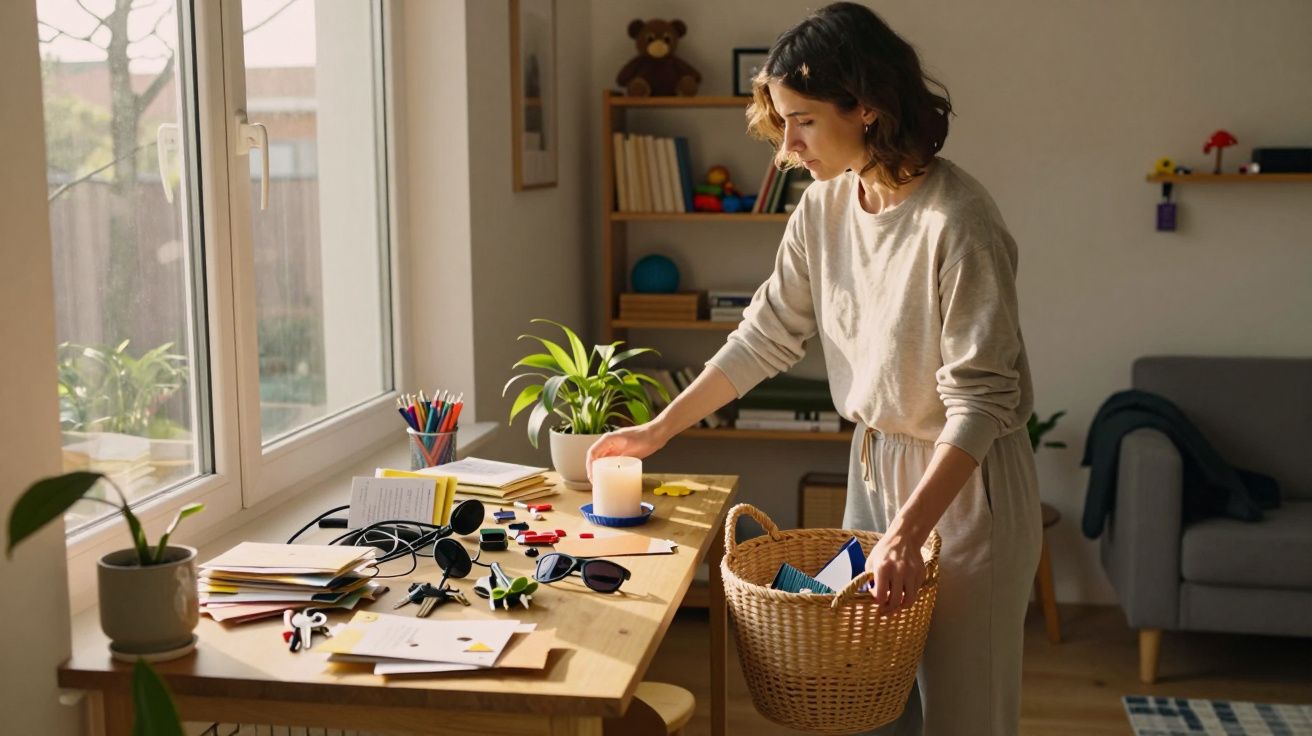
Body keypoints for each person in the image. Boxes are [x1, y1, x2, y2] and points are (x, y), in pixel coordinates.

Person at [587, 3, 1040, 734]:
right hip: (874, 466)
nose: (788, 146)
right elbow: (766, 334)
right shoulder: (823, 207)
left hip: (964, 485)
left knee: (965, 713)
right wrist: (659, 429)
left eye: (801, 120)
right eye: (782, 122)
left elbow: (981, 403)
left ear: (864, 107)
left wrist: (906, 533)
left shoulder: (958, 222)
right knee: (866, 699)